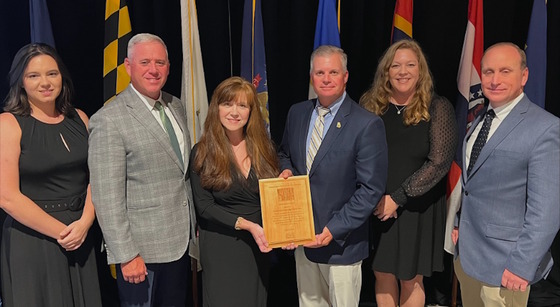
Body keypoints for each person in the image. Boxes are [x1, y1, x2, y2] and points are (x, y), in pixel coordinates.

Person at [88, 33, 196, 307]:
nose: (153, 69)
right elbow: (107, 197)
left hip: (179, 243)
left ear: (169, 67)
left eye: (160, 62)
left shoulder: (176, 105)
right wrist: (126, 254)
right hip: (140, 254)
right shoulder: (109, 120)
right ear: (127, 66)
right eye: (145, 62)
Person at [278, 45, 388, 306]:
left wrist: (333, 229)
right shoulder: (297, 113)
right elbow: (285, 154)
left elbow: (370, 189)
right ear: (311, 77)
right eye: (319, 72)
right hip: (303, 240)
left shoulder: (367, 124)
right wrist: (286, 171)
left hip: (342, 245)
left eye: (333, 72)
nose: (326, 79)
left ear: (346, 76)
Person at [452, 42, 560, 307]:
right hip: (467, 259)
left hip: (506, 267)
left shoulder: (545, 128)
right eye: (488, 72)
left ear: (523, 76)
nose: (495, 80)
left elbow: (546, 210)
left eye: (505, 71)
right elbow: (473, 185)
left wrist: (523, 265)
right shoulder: (480, 120)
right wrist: (458, 223)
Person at [0, 43, 102, 306]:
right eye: (34, 75)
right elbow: (7, 197)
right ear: (20, 82)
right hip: (34, 239)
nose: (45, 82)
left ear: (62, 77)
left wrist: (85, 223)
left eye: (52, 74)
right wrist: (63, 233)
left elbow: (97, 178)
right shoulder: (8, 124)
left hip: (81, 233)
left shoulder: (80, 118)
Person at [359, 39, 458, 307]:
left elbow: (439, 163)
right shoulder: (370, 105)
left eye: (410, 65)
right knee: (381, 272)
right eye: (396, 65)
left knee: (410, 278)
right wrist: (374, 199)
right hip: (377, 205)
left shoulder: (438, 107)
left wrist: (398, 198)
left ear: (420, 70)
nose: (403, 71)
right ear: (386, 72)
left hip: (417, 207)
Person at [189, 76, 279, 306]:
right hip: (222, 246)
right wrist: (247, 225)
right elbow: (205, 207)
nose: (234, 112)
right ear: (216, 108)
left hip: (257, 248)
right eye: (227, 104)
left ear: (251, 111)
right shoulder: (202, 152)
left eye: (242, 105)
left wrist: (284, 232)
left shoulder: (264, 149)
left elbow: (272, 198)